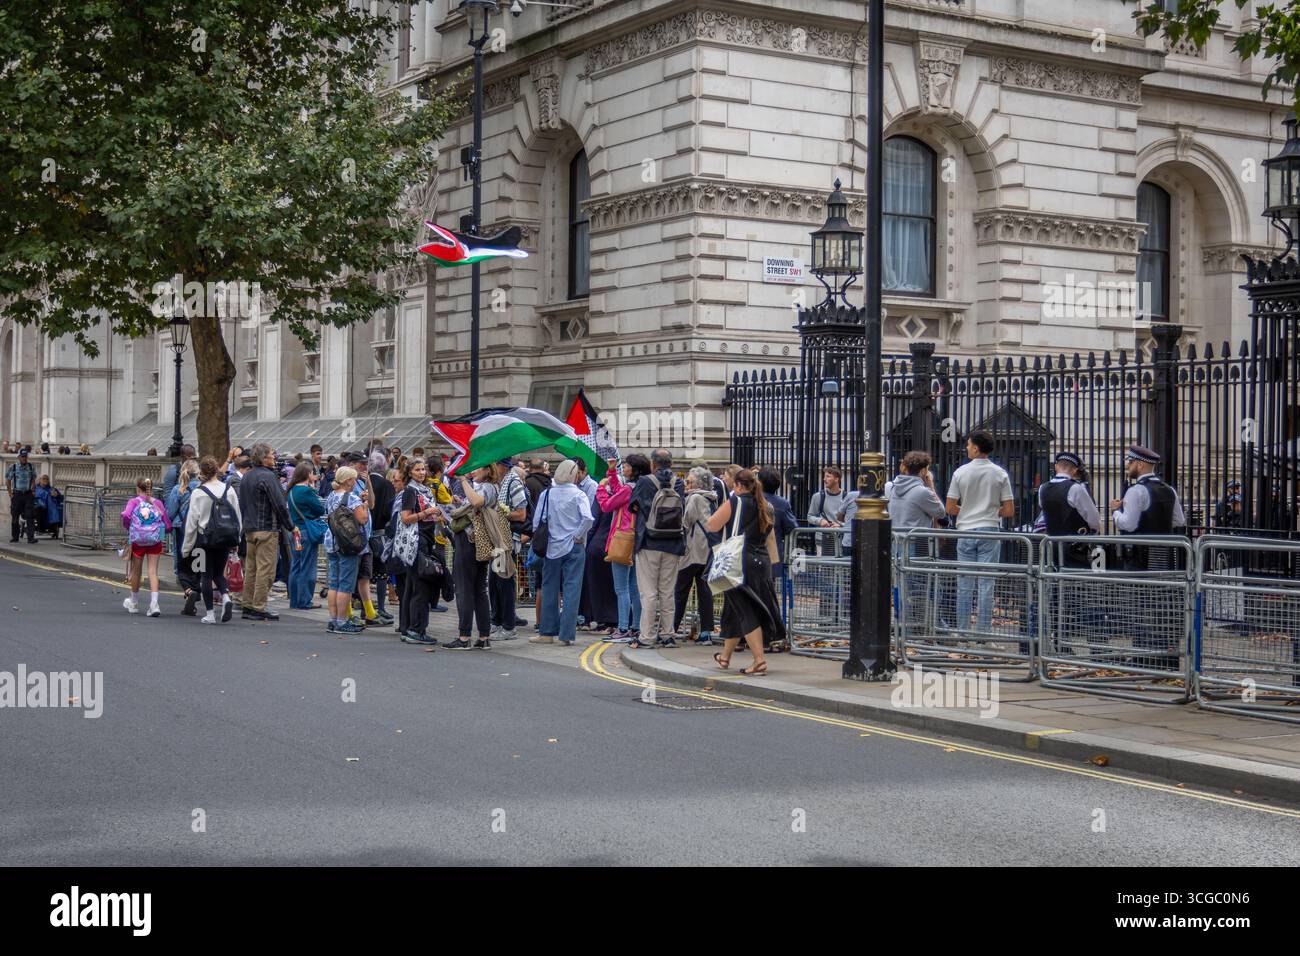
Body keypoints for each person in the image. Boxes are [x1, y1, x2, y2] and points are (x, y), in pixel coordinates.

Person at [705, 469, 784, 676]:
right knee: (734, 611)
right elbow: (769, 537)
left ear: (739, 486)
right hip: (761, 562)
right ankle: (725, 657)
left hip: (738, 563)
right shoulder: (767, 506)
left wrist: (726, 504)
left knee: (746, 612)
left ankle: (759, 661)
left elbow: (711, 525)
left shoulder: (736, 502)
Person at [946, 429, 1015, 636]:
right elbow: (1010, 510)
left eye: (968, 444)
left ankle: (962, 632)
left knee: (964, 583)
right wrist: (991, 511)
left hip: (965, 530)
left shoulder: (960, 472)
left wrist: (966, 511)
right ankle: (984, 635)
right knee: (987, 584)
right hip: (990, 530)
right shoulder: (1000, 473)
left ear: (976, 448)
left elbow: (949, 508)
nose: (966, 447)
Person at [530, 459, 593, 646]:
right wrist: (577, 535)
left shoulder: (547, 494)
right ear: (574, 475)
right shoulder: (579, 494)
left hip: (552, 547)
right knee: (572, 590)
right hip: (574, 546)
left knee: (550, 588)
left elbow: (537, 522)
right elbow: (588, 519)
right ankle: (566, 635)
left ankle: (547, 633)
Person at [628, 448, 686, 648]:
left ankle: (647, 636)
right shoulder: (679, 482)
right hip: (673, 543)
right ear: (670, 463)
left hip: (649, 542)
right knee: (667, 591)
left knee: (649, 592)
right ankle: (668, 634)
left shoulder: (644, 481)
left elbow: (633, 507)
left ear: (653, 464)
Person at [238, 443, 298, 622]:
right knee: (266, 570)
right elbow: (280, 504)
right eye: (272, 454)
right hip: (266, 528)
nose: (274, 457)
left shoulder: (247, 477)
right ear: (264, 458)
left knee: (251, 569)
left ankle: (248, 605)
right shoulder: (268, 477)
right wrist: (290, 526)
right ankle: (259, 606)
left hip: (249, 529)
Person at [182, 456, 243, 624]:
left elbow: (191, 523)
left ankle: (210, 614)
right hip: (225, 537)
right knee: (219, 572)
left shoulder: (198, 493)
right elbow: (237, 516)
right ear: (217, 470)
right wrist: (236, 539)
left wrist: (186, 548)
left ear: (202, 472)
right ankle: (225, 597)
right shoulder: (228, 490)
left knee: (206, 575)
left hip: (204, 539)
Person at [395, 458, 446, 646]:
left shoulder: (423, 490)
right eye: (417, 470)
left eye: (423, 469)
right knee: (420, 587)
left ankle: (409, 627)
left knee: (414, 586)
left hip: (425, 539)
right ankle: (416, 629)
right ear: (410, 472)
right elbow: (406, 518)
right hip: (416, 543)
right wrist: (427, 513)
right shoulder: (410, 491)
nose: (422, 472)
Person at [598, 455, 645, 643]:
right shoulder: (639, 487)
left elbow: (607, 505)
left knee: (621, 588)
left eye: (626, 466)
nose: (623, 468)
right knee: (634, 588)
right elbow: (620, 493)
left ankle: (623, 627)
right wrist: (612, 472)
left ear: (634, 470)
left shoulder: (628, 489)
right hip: (635, 539)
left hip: (621, 539)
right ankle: (636, 627)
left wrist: (601, 488)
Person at [447, 466, 495, 649]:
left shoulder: (489, 487)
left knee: (465, 589)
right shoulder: (485, 486)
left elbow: (476, 502)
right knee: (478, 589)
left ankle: (464, 637)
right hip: (476, 542)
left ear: (488, 469)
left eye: (478, 467)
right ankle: (483, 637)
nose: (473, 470)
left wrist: (464, 481)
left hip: (470, 542)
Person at [673, 466, 718, 643]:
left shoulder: (695, 498)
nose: (686, 483)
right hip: (707, 551)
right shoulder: (711, 498)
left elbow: (686, 521)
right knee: (704, 591)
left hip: (692, 551)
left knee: (680, 591)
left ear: (698, 483)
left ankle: (672, 628)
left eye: (689, 481)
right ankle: (706, 631)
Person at [323, 466, 369, 633]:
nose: (356, 481)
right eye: (354, 479)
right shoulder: (352, 499)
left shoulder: (331, 496)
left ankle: (333, 619)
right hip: (348, 544)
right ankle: (342, 622)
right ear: (349, 480)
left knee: (334, 582)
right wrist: (365, 504)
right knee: (346, 584)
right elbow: (363, 520)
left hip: (332, 541)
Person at [120, 477, 172, 617]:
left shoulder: (134, 502)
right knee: (153, 572)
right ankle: (154, 604)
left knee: (136, 571)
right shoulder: (158, 503)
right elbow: (167, 526)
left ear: (138, 488)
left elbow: (126, 516)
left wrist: (129, 527)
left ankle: (134, 602)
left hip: (138, 540)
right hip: (155, 541)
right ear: (151, 488)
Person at [1039, 451, 1101, 567]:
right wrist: (1094, 532)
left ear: (1056, 467)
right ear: (1074, 470)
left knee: (1053, 577)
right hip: (1074, 546)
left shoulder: (1043, 488)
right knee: (1076, 579)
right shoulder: (1076, 488)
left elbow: (1044, 510)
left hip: (1050, 544)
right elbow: (1094, 519)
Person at [491, 458, 528, 641]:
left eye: (494, 465)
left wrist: (499, 514)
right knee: (496, 582)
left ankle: (508, 626)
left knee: (504, 584)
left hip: (508, 540)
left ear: (502, 466)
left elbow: (521, 514)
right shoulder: (503, 482)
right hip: (499, 540)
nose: (492, 468)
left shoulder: (513, 483)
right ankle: (497, 621)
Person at [758, 467, 798, 621]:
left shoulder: (751, 500)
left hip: (749, 553)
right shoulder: (782, 503)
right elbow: (792, 527)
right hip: (771, 555)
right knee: (768, 594)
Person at [287, 462, 326, 610]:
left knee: (296, 565)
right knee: (308, 566)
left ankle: (294, 600)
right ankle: (305, 600)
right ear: (308, 474)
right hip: (306, 533)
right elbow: (320, 509)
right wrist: (313, 489)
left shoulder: (291, 491)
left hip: (295, 532)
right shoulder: (306, 491)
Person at [365, 449, 397, 624]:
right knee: (382, 573)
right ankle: (381, 608)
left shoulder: (364, 482)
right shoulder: (386, 485)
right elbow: (388, 511)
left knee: (365, 573)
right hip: (380, 533)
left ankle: (366, 605)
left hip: (365, 531)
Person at [168, 459, 202, 615]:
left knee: (181, 565)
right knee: (197, 565)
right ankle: (194, 594)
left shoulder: (178, 489)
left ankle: (188, 591)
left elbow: (170, 512)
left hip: (180, 529)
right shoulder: (203, 488)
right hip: (200, 531)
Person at [6, 448, 38, 543]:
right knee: (15, 516)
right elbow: (8, 480)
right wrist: (10, 493)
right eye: (23, 457)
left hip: (28, 494)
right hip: (17, 495)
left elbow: (33, 478)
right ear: (19, 457)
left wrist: (33, 489)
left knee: (30, 516)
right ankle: (15, 537)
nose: (24, 458)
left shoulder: (31, 467)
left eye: (26, 456)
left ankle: (31, 537)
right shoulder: (14, 467)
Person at [33, 475, 63, 539]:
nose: (45, 480)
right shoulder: (36, 488)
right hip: (39, 506)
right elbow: (33, 498)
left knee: (55, 510)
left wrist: (56, 495)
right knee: (39, 509)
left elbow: (59, 497)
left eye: (47, 479)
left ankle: (52, 529)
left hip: (50, 507)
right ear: (39, 480)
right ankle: (41, 528)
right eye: (43, 479)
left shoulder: (52, 489)